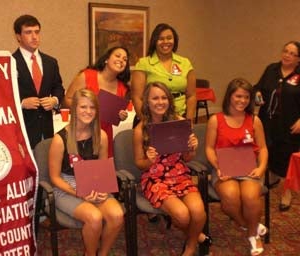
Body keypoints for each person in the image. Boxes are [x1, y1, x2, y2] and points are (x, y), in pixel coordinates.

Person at [133, 82, 209, 256]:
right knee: (182, 215)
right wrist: (149, 160)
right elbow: (139, 163)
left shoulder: (180, 122)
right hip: (155, 179)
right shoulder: (141, 130)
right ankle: (196, 236)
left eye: (164, 97)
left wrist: (192, 148)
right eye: (155, 98)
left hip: (180, 174)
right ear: (147, 102)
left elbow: (188, 158)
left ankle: (190, 246)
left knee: (198, 213)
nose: (160, 102)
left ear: (169, 100)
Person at [49, 89, 124, 256]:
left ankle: (102, 253)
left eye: (92, 107)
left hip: (93, 182)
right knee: (95, 218)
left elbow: (102, 170)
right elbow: (54, 178)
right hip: (67, 186)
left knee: (117, 215)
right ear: (74, 108)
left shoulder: (101, 136)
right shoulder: (59, 139)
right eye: (83, 107)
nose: (88, 112)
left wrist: (104, 189)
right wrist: (80, 193)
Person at [205, 78, 268, 256]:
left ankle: (252, 235)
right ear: (229, 96)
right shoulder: (215, 120)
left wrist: (261, 168)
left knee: (250, 197)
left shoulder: (254, 120)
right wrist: (217, 167)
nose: (242, 101)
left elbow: (262, 148)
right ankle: (250, 225)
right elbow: (209, 148)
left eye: (246, 97)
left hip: (249, 167)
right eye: (238, 96)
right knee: (231, 199)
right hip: (223, 166)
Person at [254, 41, 300, 211]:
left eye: (292, 54)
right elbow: (258, 87)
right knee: (265, 150)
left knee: (287, 158)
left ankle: (286, 193)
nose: (287, 55)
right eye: (285, 51)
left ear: (298, 59)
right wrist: (257, 93)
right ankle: (267, 179)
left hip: (290, 124)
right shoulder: (271, 69)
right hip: (267, 121)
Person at [64, 46, 131, 157]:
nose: (121, 60)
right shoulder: (87, 75)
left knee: (101, 171)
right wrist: (86, 110)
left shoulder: (122, 88)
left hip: (104, 135)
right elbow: (67, 99)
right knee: (79, 169)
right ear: (106, 59)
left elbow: (113, 114)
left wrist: (120, 116)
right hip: (81, 131)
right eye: (118, 56)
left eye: (125, 59)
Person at [12, 14, 65, 149]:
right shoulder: (10, 62)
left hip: (47, 128)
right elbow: (3, 96)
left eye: (37, 32)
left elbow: (58, 88)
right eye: (28, 32)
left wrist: (54, 100)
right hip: (23, 129)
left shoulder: (50, 62)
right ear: (18, 36)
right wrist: (22, 103)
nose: (34, 36)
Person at [131, 23, 197, 126]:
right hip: (151, 119)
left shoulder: (185, 63)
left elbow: (191, 96)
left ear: (174, 40)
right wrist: (146, 122)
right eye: (161, 39)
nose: (165, 42)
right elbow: (137, 98)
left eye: (169, 38)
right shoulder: (143, 63)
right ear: (154, 41)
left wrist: (189, 121)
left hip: (179, 117)